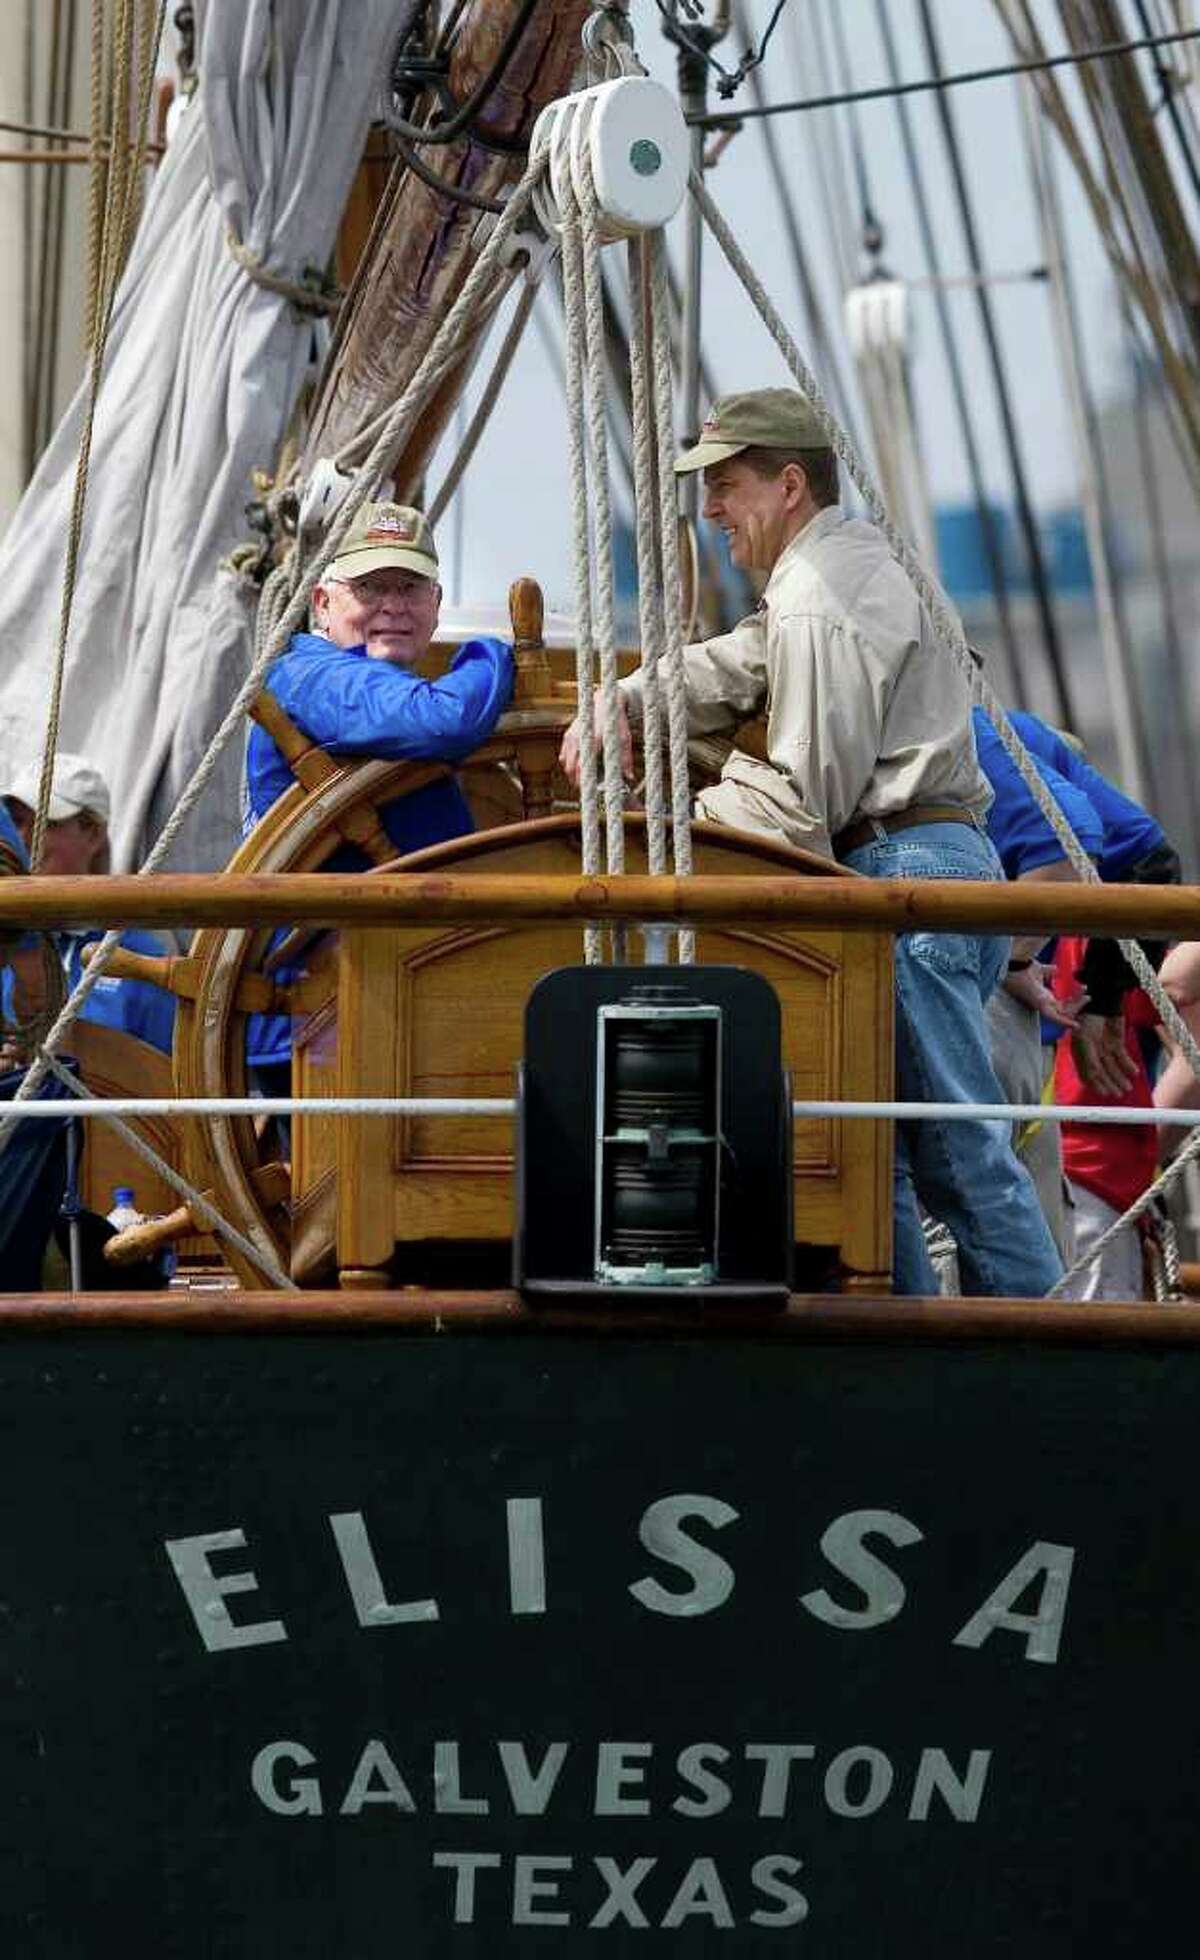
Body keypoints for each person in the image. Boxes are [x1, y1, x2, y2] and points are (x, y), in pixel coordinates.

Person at [560, 388, 1062, 1298]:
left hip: (905, 884)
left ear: (789, 485)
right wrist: (628, 698)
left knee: (957, 1153)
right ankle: (924, 1362)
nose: (709, 510)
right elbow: (747, 658)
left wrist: (673, 831)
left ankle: (1058, 1377)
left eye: (725, 485)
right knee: (889, 1158)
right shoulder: (840, 571)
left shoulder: (823, 599)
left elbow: (800, 802)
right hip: (929, 876)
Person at [242, 500, 514, 1081]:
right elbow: (442, 721)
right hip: (326, 1011)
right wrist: (494, 654)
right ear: (323, 603)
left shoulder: (364, 681)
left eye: (410, 588)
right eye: (370, 588)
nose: (392, 606)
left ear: (436, 605)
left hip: (386, 997)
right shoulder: (312, 675)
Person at [1004, 713, 1180, 1100]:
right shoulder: (1019, 733)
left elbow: (1149, 861)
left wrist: (1102, 997)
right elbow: (1150, 862)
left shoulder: (993, 734)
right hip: (1029, 1050)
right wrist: (1102, 1000)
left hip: (997, 1027)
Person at [3, 752, 175, 1055]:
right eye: (16, 821)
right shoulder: (4, 948)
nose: (24, 837)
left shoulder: (145, 961)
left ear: (94, 834)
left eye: (46, 821)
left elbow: (168, 1082)